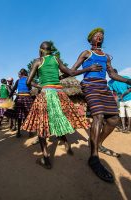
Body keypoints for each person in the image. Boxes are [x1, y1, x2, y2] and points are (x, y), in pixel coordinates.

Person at [22, 41, 100, 170]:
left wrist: (39, 85)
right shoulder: (56, 59)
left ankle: (46, 159)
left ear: (41, 50)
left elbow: (28, 82)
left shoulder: (37, 61)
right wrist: (88, 68)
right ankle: (67, 146)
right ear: (50, 50)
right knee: (60, 118)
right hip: (59, 93)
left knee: (42, 125)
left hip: (45, 94)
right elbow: (71, 72)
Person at [70, 28, 131, 182]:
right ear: (91, 39)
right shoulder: (86, 53)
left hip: (103, 87)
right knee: (98, 116)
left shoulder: (106, 57)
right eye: (97, 36)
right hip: (90, 86)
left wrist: (128, 81)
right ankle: (94, 157)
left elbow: (112, 74)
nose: (99, 38)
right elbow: (71, 71)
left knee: (114, 119)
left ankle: (98, 143)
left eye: (101, 36)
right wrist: (88, 68)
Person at [9, 68, 35, 138]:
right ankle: (30, 132)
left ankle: (18, 132)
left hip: (19, 99)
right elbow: (29, 88)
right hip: (27, 98)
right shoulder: (28, 79)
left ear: (21, 74)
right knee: (28, 115)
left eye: (19, 74)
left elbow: (13, 90)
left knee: (19, 116)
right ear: (26, 73)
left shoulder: (18, 81)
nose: (18, 75)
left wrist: (9, 98)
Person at [108, 69, 131, 133]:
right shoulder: (110, 82)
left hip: (129, 98)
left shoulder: (125, 78)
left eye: (111, 74)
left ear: (116, 73)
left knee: (129, 113)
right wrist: (115, 99)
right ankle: (123, 128)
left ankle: (128, 128)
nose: (110, 76)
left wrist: (123, 95)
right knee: (121, 114)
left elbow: (130, 88)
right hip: (120, 100)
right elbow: (114, 92)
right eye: (109, 74)